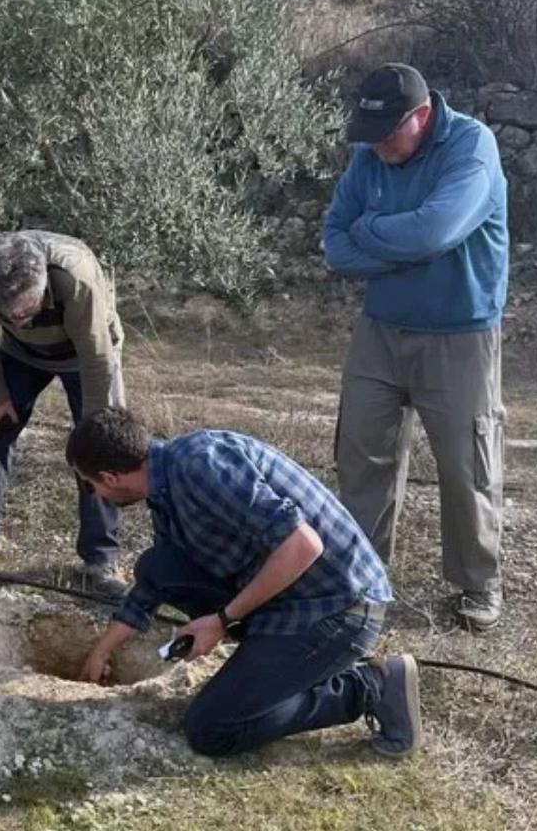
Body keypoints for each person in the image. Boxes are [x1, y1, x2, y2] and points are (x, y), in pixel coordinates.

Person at [71, 408, 420, 758]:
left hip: (336, 608)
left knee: (211, 728)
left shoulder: (200, 466)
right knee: (159, 564)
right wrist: (103, 647)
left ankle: (370, 686)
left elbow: (303, 545)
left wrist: (221, 621)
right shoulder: (165, 485)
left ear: (110, 477)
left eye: (91, 485)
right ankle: (268, 664)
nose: (95, 495)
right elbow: (156, 577)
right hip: (288, 595)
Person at [322, 63, 509, 631]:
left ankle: (478, 585)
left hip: (459, 333)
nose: (374, 147)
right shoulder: (370, 153)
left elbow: (438, 230)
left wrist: (374, 231)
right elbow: (335, 242)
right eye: (367, 135)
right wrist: (402, 241)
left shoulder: (471, 147)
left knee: (465, 464)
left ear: (421, 117)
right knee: (362, 455)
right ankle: (362, 576)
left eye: (385, 134)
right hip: (380, 329)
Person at [0, 231, 127, 595]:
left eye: (26, 311)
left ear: (43, 286)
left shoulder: (74, 276)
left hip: (86, 353)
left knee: (102, 449)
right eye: (9, 314)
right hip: (22, 355)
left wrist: (95, 428)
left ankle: (101, 558)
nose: (18, 320)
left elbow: (97, 355)